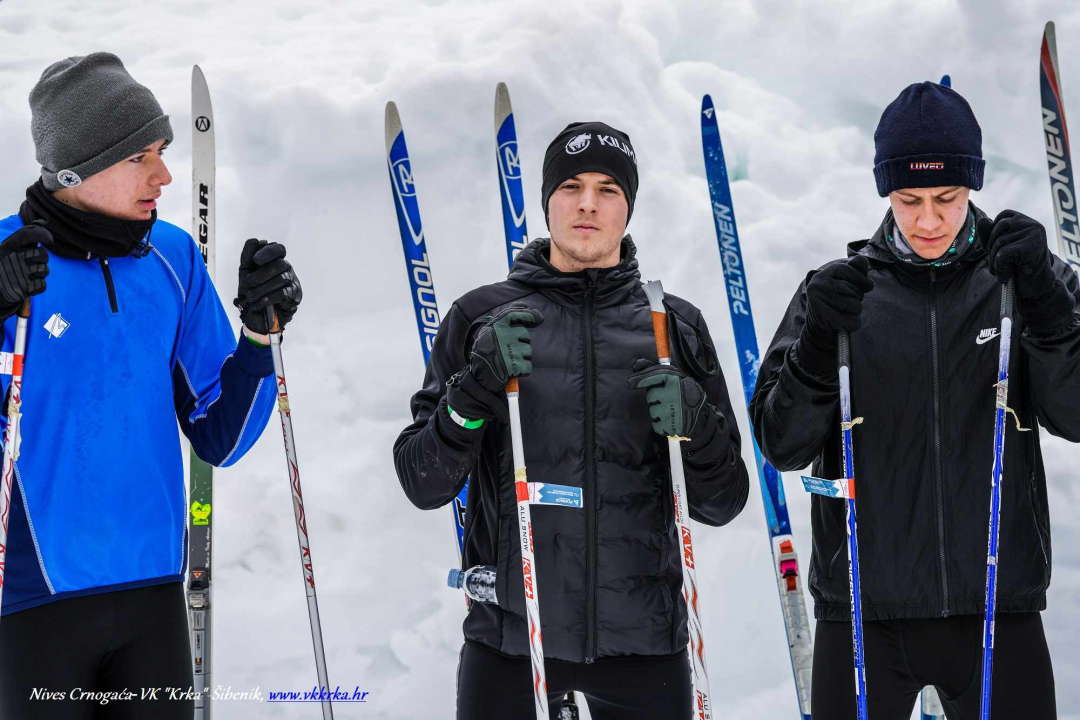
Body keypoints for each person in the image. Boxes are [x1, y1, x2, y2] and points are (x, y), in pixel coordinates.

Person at [394, 120, 750, 719]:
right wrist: (474, 390)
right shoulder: (483, 318)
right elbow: (422, 482)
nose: (588, 204)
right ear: (546, 200)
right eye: (571, 186)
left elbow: (724, 501)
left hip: (644, 650)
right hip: (511, 642)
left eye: (609, 188)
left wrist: (697, 423)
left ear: (629, 207)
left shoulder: (673, 328)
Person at [750, 81, 1075, 719]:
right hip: (865, 614)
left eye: (947, 198)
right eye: (909, 199)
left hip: (997, 604)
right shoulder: (838, 291)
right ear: (886, 194)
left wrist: (1051, 310)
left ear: (972, 187)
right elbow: (780, 445)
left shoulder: (1025, 277)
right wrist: (816, 343)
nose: (928, 220)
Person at [0, 53, 303, 719]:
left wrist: (258, 336)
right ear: (78, 166)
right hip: (29, 600)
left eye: (162, 151)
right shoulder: (7, 262)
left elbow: (220, 435)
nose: (164, 175)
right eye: (141, 157)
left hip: (154, 597)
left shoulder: (172, 259)